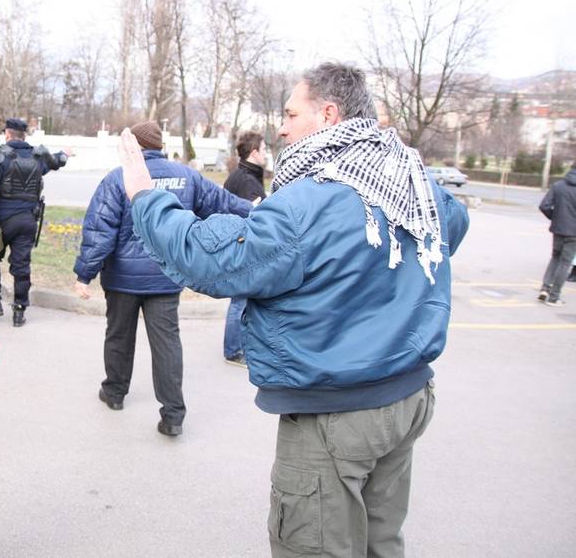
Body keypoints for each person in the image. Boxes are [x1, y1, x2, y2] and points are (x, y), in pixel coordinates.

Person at [118, 63, 469, 556]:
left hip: (338, 413)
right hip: (407, 396)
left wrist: (144, 196)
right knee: (380, 543)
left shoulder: (312, 200)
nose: (281, 129)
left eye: (290, 113)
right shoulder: (405, 177)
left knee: (311, 545)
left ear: (328, 114)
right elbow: (452, 225)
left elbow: (211, 259)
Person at [73, 121, 251, 437]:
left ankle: (114, 393)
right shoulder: (187, 176)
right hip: (167, 275)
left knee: (118, 336)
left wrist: (84, 274)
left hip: (122, 279)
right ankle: (173, 416)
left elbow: (100, 230)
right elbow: (225, 204)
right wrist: (259, 211)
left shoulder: (118, 178)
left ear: (136, 146)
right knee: (167, 343)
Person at [0, 118, 70, 327]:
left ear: (7, 134)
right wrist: (64, 154)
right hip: (26, 222)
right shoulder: (37, 156)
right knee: (21, 265)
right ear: (24, 135)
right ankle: (19, 310)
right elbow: (55, 163)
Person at [221, 131, 268, 367]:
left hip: (235, 245)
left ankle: (239, 346)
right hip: (242, 247)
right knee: (240, 300)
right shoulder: (248, 182)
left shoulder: (239, 175)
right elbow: (254, 217)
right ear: (254, 153)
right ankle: (234, 350)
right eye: (264, 149)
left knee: (240, 299)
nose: (267, 154)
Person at [537, 161, 576, 306]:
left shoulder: (558, 185)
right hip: (573, 233)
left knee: (555, 258)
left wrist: (555, 217)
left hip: (558, 229)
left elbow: (544, 206)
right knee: (565, 263)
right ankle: (554, 296)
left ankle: (545, 288)